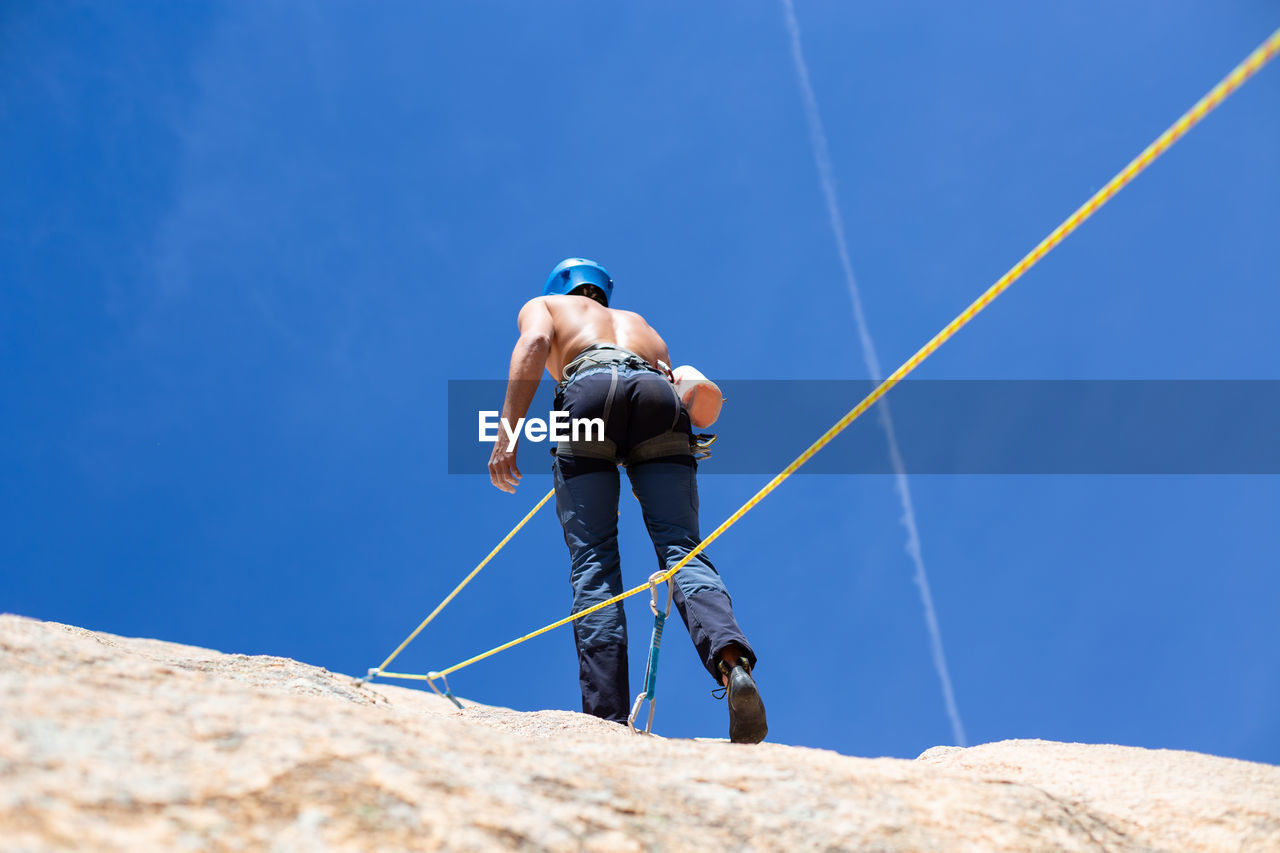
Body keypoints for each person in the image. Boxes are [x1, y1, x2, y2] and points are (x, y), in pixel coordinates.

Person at [487, 257, 768, 744]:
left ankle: (607, 717)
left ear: (561, 286)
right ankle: (732, 662)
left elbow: (533, 343)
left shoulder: (546, 306)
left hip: (588, 392)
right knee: (682, 547)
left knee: (594, 559)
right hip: (657, 398)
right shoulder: (642, 327)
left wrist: (506, 433)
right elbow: (679, 387)